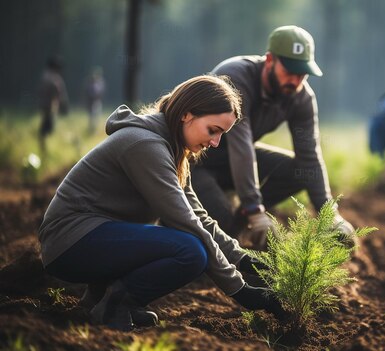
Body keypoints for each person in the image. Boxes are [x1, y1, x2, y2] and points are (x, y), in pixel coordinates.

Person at [38, 75, 285, 331]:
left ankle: (101, 300)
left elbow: (199, 216)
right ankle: (116, 304)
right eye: (213, 130)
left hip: (94, 238)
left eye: (222, 135)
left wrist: (245, 260)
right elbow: (186, 222)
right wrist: (239, 289)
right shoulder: (145, 146)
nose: (215, 143)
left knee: (187, 244)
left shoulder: (175, 151)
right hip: (69, 243)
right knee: (189, 251)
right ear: (186, 115)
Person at [190, 25, 355, 249]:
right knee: (223, 224)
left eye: (302, 74)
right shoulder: (235, 78)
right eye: (289, 71)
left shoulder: (301, 98)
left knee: (299, 171)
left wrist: (330, 215)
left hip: (233, 164)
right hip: (197, 161)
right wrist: (254, 209)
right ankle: (228, 223)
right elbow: (242, 146)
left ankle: (238, 225)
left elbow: (310, 157)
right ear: (269, 60)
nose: (295, 81)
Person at [39, 55, 69, 153]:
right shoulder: (54, 77)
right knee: (47, 129)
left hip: (45, 106)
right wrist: (64, 104)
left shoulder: (45, 75)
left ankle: (45, 148)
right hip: (50, 107)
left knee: (45, 128)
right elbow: (59, 92)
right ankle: (46, 150)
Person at [85, 66, 106, 134]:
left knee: (96, 115)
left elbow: (101, 92)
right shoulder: (90, 84)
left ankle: (94, 129)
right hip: (91, 102)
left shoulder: (100, 83)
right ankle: (91, 128)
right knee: (91, 116)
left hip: (97, 101)